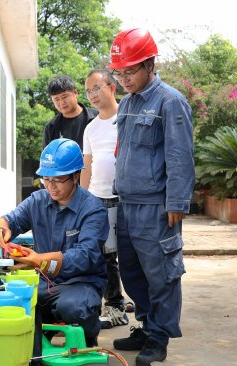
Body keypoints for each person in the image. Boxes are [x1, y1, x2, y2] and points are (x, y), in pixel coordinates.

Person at [107, 28, 195, 366]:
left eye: (130, 70)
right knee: (131, 273)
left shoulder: (170, 101)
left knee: (162, 276)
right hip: (127, 204)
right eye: (120, 71)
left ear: (150, 64)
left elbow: (179, 155)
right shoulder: (128, 104)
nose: (125, 78)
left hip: (157, 206)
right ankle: (146, 325)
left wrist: (176, 202)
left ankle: (159, 338)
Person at [0, 138, 109, 361]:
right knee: (14, 302)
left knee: (73, 307)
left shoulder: (93, 209)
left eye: (58, 180)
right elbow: (10, 220)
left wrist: (39, 260)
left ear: (75, 177)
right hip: (44, 281)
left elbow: (86, 256)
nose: (50, 185)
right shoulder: (37, 200)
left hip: (81, 282)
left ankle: (88, 335)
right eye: (46, 179)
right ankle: (34, 354)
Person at [80, 68, 130, 329]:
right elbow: (87, 166)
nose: (92, 95)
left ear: (111, 86)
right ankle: (115, 307)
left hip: (127, 198)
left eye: (96, 88)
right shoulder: (90, 128)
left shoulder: (128, 117)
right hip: (98, 199)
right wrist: (82, 200)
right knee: (105, 256)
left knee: (132, 255)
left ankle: (136, 305)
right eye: (88, 91)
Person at [42, 75, 98, 150]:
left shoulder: (97, 117)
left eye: (64, 97)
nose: (61, 102)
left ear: (75, 93)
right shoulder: (51, 127)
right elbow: (48, 158)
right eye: (56, 99)